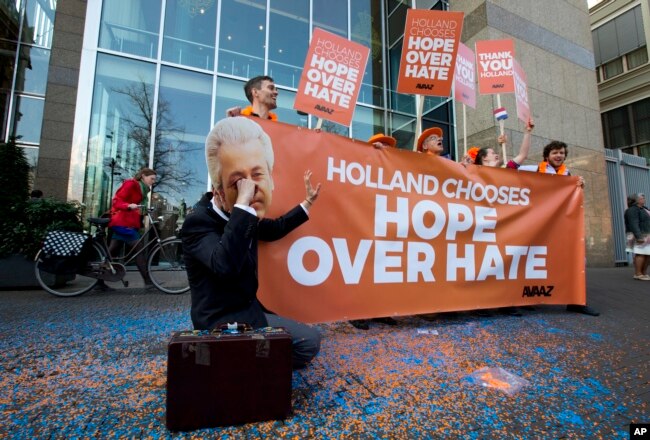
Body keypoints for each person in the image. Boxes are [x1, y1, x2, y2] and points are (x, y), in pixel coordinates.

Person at [182, 116, 321, 368]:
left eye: (257, 176)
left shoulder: (249, 219)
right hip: (219, 322)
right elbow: (224, 265)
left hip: (250, 312)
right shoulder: (198, 223)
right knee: (295, 345)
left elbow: (275, 228)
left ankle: (253, 366)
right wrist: (242, 206)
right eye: (239, 182)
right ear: (219, 191)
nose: (252, 189)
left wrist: (307, 203)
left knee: (310, 340)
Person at [518, 141, 598, 316]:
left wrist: (578, 185)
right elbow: (511, 173)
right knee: (534, 260)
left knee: (576, 259)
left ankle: (575, 300)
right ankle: (526, 297)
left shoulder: (568, 174)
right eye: (555, 153)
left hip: (561, 225)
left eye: (562, 153)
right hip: (538, 224)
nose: (559, 156)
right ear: (547, 156)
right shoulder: (533, 169)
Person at [106, 167, 157, 289]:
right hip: (123, 223)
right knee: (139, 251)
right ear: (143, 176)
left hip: (128, 223)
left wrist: (143, 210)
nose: (153, 181)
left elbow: (137, 206)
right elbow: (116, 201)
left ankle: (98, 281)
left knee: (111, 252)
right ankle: (148, 282)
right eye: (152, 178)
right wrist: (128, 205)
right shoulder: (131, 184)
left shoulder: (143, 190)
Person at [624, 193, 650, 280]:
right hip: (639, 234)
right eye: (642, 198)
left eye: (644, 198)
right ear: (636, 200)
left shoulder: (644, 209)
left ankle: (643, 273)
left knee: (647, 254)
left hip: (646, 234)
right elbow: (633, 224)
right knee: (640, 254)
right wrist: (638, 236)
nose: (644, 199)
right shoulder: (632, 210)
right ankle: (638, 274)